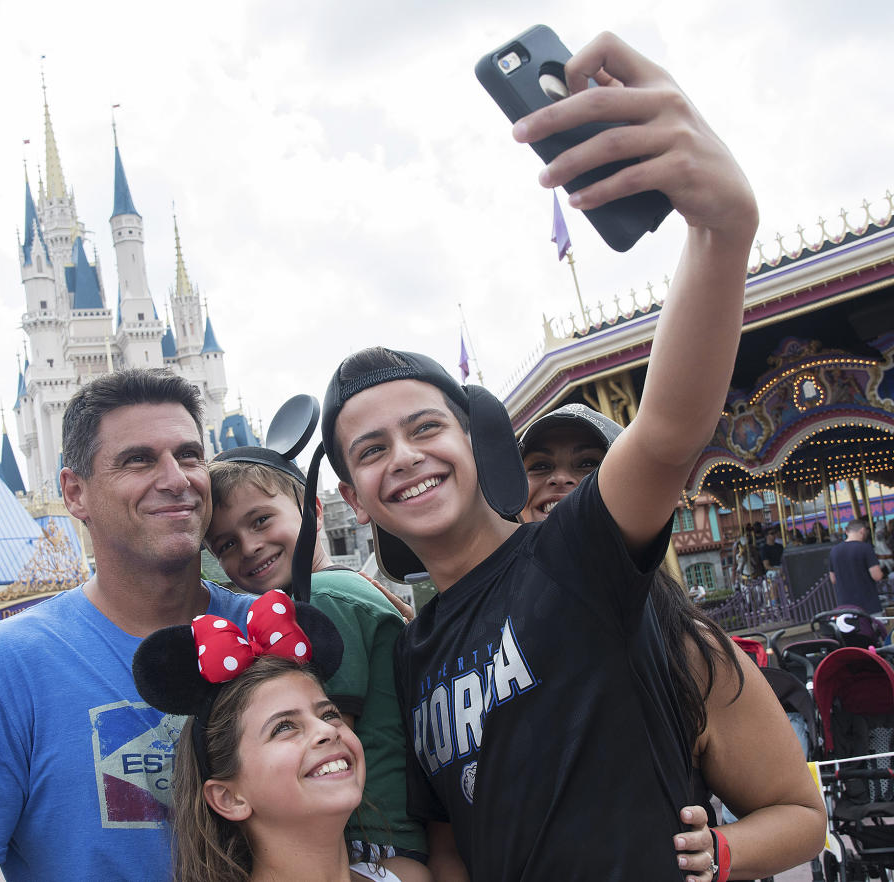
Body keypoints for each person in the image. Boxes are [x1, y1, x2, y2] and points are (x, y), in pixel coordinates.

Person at [310, 32, 827, 880]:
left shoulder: (570, 556)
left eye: (426, 428)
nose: (405, 456)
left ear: (475, 444)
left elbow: (664, 432)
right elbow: (448, 847)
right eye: (372, 450)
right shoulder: (412, 654)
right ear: (355, 499)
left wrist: (720, 228)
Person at [0, 369, 255, 882]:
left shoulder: (267, 633)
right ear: (75, 493)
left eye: (189, 456)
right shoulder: (3, 669)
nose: (176, 479)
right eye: (138, 460)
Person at [518, 402, 827, 880]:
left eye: (588, 464)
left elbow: (802, 816)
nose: (561, 479)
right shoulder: (487, 647)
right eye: (540, 466)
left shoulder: (683, 645)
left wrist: (718, 851)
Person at [204, 449, 427, 877]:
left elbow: (323, 739)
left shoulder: (324, 599)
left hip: (371, 838)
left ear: (315, 510)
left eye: (261, 520)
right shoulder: (339, 590)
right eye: (227, 544)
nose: (249, 546)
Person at [130, 589, 431, 882]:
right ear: (229, 798)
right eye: (284, 727)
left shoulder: (409, 876)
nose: (327, 730)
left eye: (329, 714)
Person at [830, 518, 885, 613]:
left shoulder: (834, 551)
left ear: (847, 532)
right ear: (862, 531)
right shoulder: (866, 548)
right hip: (869, 605)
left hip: (845, 606)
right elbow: (877, 576)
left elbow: (833, 579)